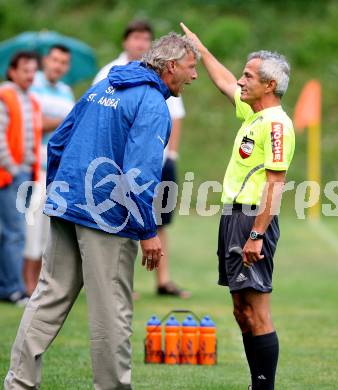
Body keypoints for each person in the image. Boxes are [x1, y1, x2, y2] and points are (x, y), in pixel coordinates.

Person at [4, 32, 199, 389]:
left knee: (48, 297)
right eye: (191, 67)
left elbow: (60, 139)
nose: (195, 75)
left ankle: (18, 383)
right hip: (107, 218)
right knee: (112, 313)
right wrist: (148, 232)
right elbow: (139, 174)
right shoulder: (154, 103)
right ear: (171, 67)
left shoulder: (104, 86)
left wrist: (62, 192)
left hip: (66, 205)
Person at [181, 23, 295, 389]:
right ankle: (255, 382)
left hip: (251, 221)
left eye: (249, 75)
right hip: (233, 217)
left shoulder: (276, 124)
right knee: (241, 311)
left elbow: (275, 183)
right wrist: (200, 49)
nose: (242, 81)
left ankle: (264, 387)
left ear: (269, 85)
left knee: (257, 311)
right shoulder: (254, 114)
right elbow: (225, 82)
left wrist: (257, 234)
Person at [94, 19, 190, 298]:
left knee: (159, 220)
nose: (141, 43)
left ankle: (163, 279)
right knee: (122, 217)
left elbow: (177, 114)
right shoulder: (109, 72)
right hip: (120, 164)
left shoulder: (163, 73)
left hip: (157, 160)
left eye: (146, 38)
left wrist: (171, 153)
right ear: (125, 41)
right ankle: (123, 283)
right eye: (136, 38)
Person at [23, 44, 74, 295]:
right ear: (46, 61)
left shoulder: (66, 92)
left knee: (47, 231)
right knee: (32, 227)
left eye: (63, 62)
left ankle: (42, 286)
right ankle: (26, 283)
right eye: (55, 60)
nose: (58, 66)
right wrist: (64, 121)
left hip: (57, 171)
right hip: (34, 168)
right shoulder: (33, 87)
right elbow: (33, 123)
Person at [0, 51, 41, 306]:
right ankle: (14, 288)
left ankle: (7, 285)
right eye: (25, 69)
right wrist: (12, 168)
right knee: (14, 232)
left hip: (27, 173)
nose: (29, 75)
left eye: (33, 70)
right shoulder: (6, 96)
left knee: (12, 231)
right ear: (12, 71)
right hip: (10, 175)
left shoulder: (31, 100)